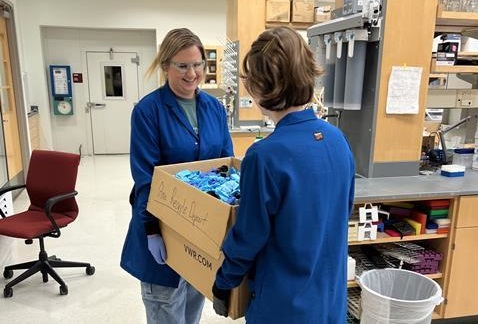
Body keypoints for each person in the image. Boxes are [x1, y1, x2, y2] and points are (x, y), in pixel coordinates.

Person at [212, 26, 355, 323]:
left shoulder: (264, 156)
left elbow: (249, 237)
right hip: (329, 301)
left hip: (283, 307)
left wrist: (223, 282)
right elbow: (340, 213)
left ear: (262, 87)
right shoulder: (337, 140)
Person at [120, 28, 234, 324]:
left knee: (192, 307)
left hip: (201, 233)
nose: (191, 73)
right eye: (182, 66)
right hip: (163, 227)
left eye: (197, 65)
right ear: (165, 66)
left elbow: (225, 169)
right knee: (165, 309)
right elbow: (146, 177)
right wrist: (151, 231)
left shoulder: (214, 109)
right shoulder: (148, 111)